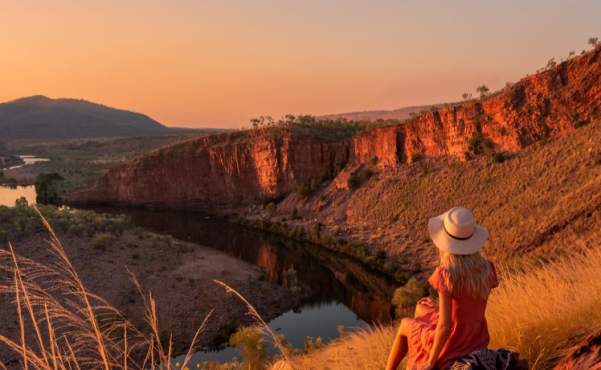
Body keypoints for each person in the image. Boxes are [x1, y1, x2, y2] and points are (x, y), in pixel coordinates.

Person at [385, 207, 499, 370]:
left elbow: (445, 326)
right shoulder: (487, 269)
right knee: (422, 306)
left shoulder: (446, 274)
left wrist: (431, 361)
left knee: (404, 324)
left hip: (452, 343)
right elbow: (467, 306)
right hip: (475, 338)